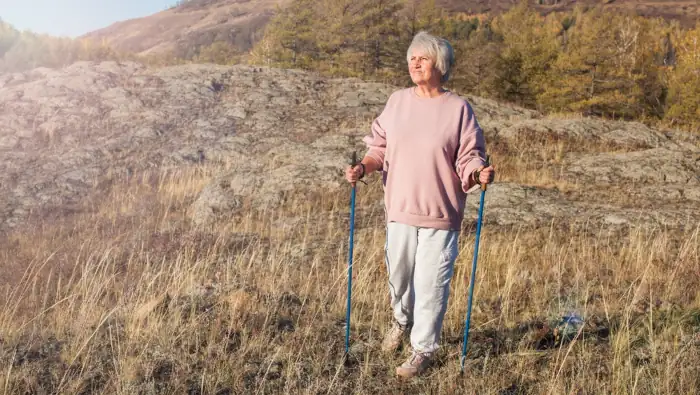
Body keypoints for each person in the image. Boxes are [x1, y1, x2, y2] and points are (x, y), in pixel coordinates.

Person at [345, 31, 495, 378]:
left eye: (422, 58)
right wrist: (363, 166)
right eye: (412, 57)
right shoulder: (397, 102)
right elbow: (379, 147)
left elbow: (469, 156)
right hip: (399, 208)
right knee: (399, 276)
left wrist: (477, 173)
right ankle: (401, 322)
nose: (414, 63)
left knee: (431, 284)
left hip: (440, 213)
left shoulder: (458, 109)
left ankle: (422, 349)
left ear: (439, 65)